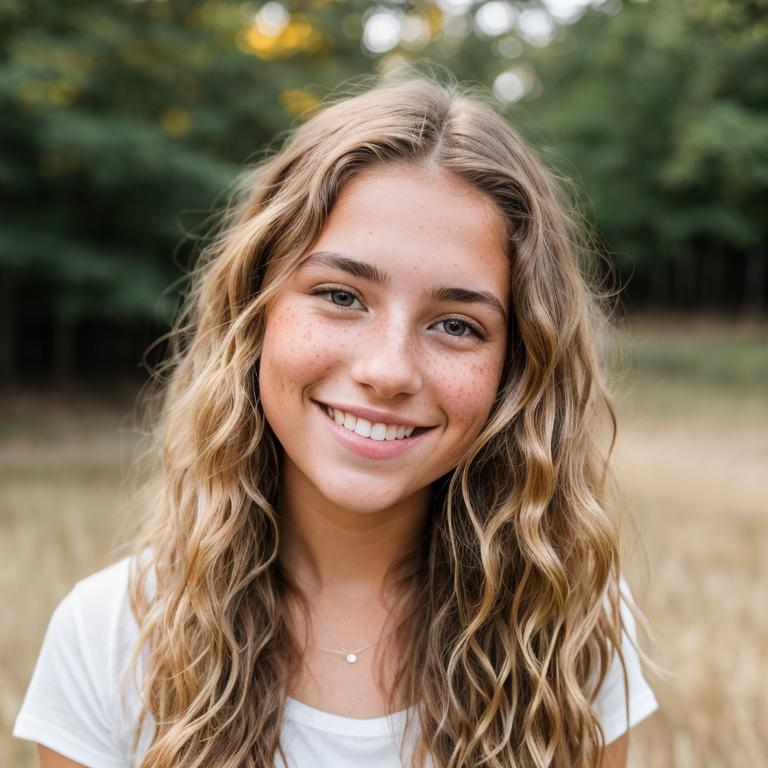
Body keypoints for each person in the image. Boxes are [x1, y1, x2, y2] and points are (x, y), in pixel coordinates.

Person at [13, 74, 659, 768]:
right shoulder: (111, 634)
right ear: (256, 310)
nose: (387, 370)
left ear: (517, 368)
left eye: (455, 324)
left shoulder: (565, 628)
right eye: (342, 295)